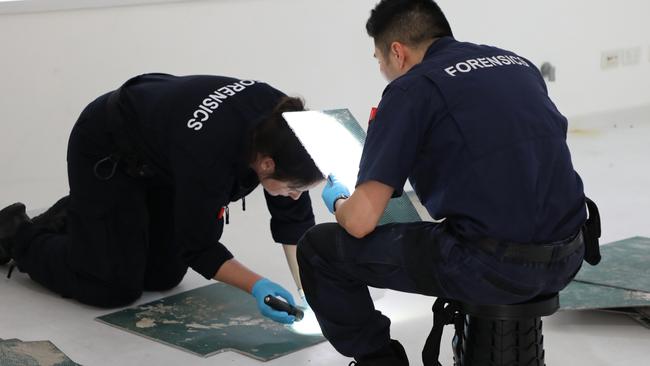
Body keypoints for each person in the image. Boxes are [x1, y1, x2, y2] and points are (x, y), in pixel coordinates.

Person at [297, 0, 600, 364]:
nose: (382, 69)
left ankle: (380, 361)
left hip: (490, 266)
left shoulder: (411, 89)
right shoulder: (515, 63)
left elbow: (361, 223)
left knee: (318, 250)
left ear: (397, 52)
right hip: (570, 253)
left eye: (378, 60)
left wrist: (340, 202)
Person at [0, 73, 323, 324]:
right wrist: (258, 286)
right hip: (107, 147)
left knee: (164, 275)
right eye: (294, 187)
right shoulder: (210, 158)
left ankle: (85, 214)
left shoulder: (283, 130)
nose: (295, 196)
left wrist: (306, 292)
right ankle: (18, 233)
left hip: (162, 160)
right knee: (112, 286)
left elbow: (292, 219)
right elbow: (198, 247)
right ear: (266, 164)